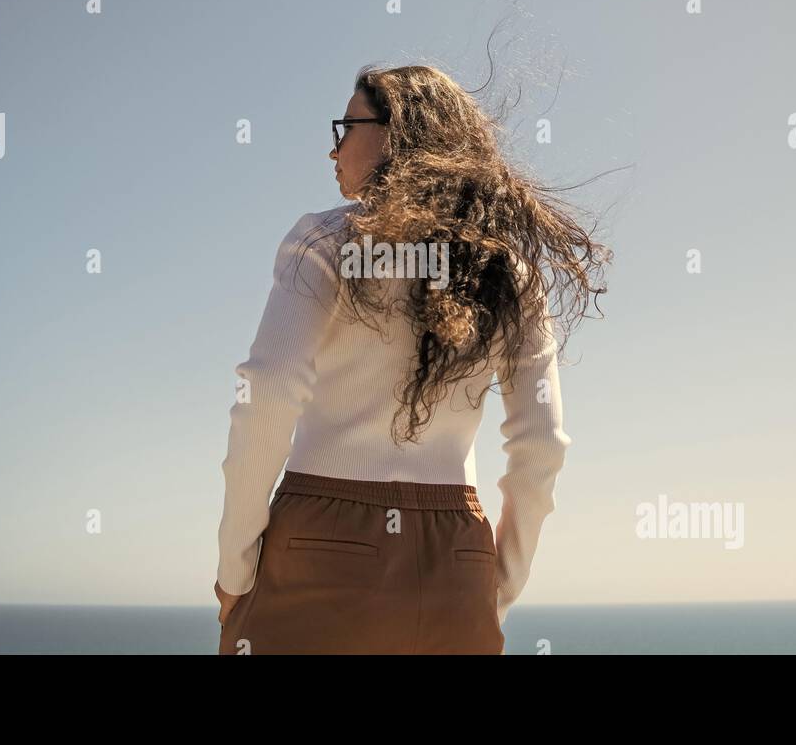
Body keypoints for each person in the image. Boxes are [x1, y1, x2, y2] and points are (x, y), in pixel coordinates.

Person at [215, 63, 609, 654]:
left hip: (321, 543)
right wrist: (493, 584)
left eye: (347, 127)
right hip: (457, 555)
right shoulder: (510, 271)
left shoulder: (324, 240)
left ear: (399, 133)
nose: (334, 149)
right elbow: (542, 445)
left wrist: (236, 567)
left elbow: (268, 390)